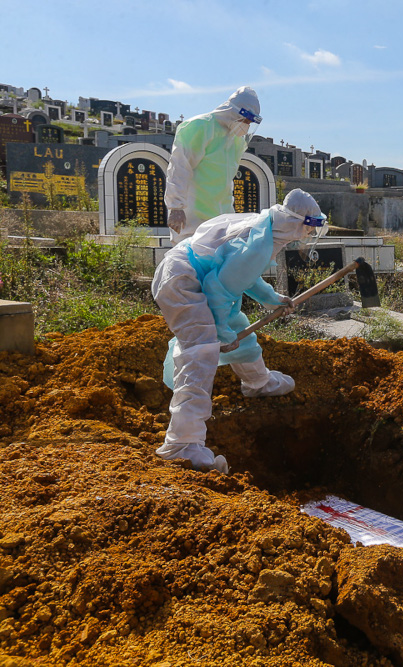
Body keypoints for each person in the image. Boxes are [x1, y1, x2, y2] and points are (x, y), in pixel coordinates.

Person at [152, 189, 327, 473]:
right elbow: (219, 289)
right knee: (202, 350)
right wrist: (220, 333)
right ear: (298, 222)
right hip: (183, 281)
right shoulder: (261, 243)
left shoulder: (266, 230)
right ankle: (181, 444)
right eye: (310, 227)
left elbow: (243, 274)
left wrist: (272, 299)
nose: (309, 234)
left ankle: (258, 382)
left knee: (236, 325)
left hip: (194, 273)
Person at [164, 86, 262, 242]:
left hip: (222, 224)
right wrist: (176, 206)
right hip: (192, 221)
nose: (247, 125)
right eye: (246, 120)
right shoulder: (200, 127)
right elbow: (179, 168)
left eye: (250, 122)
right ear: (233, 112)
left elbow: (225, 183)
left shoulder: (235, 140)